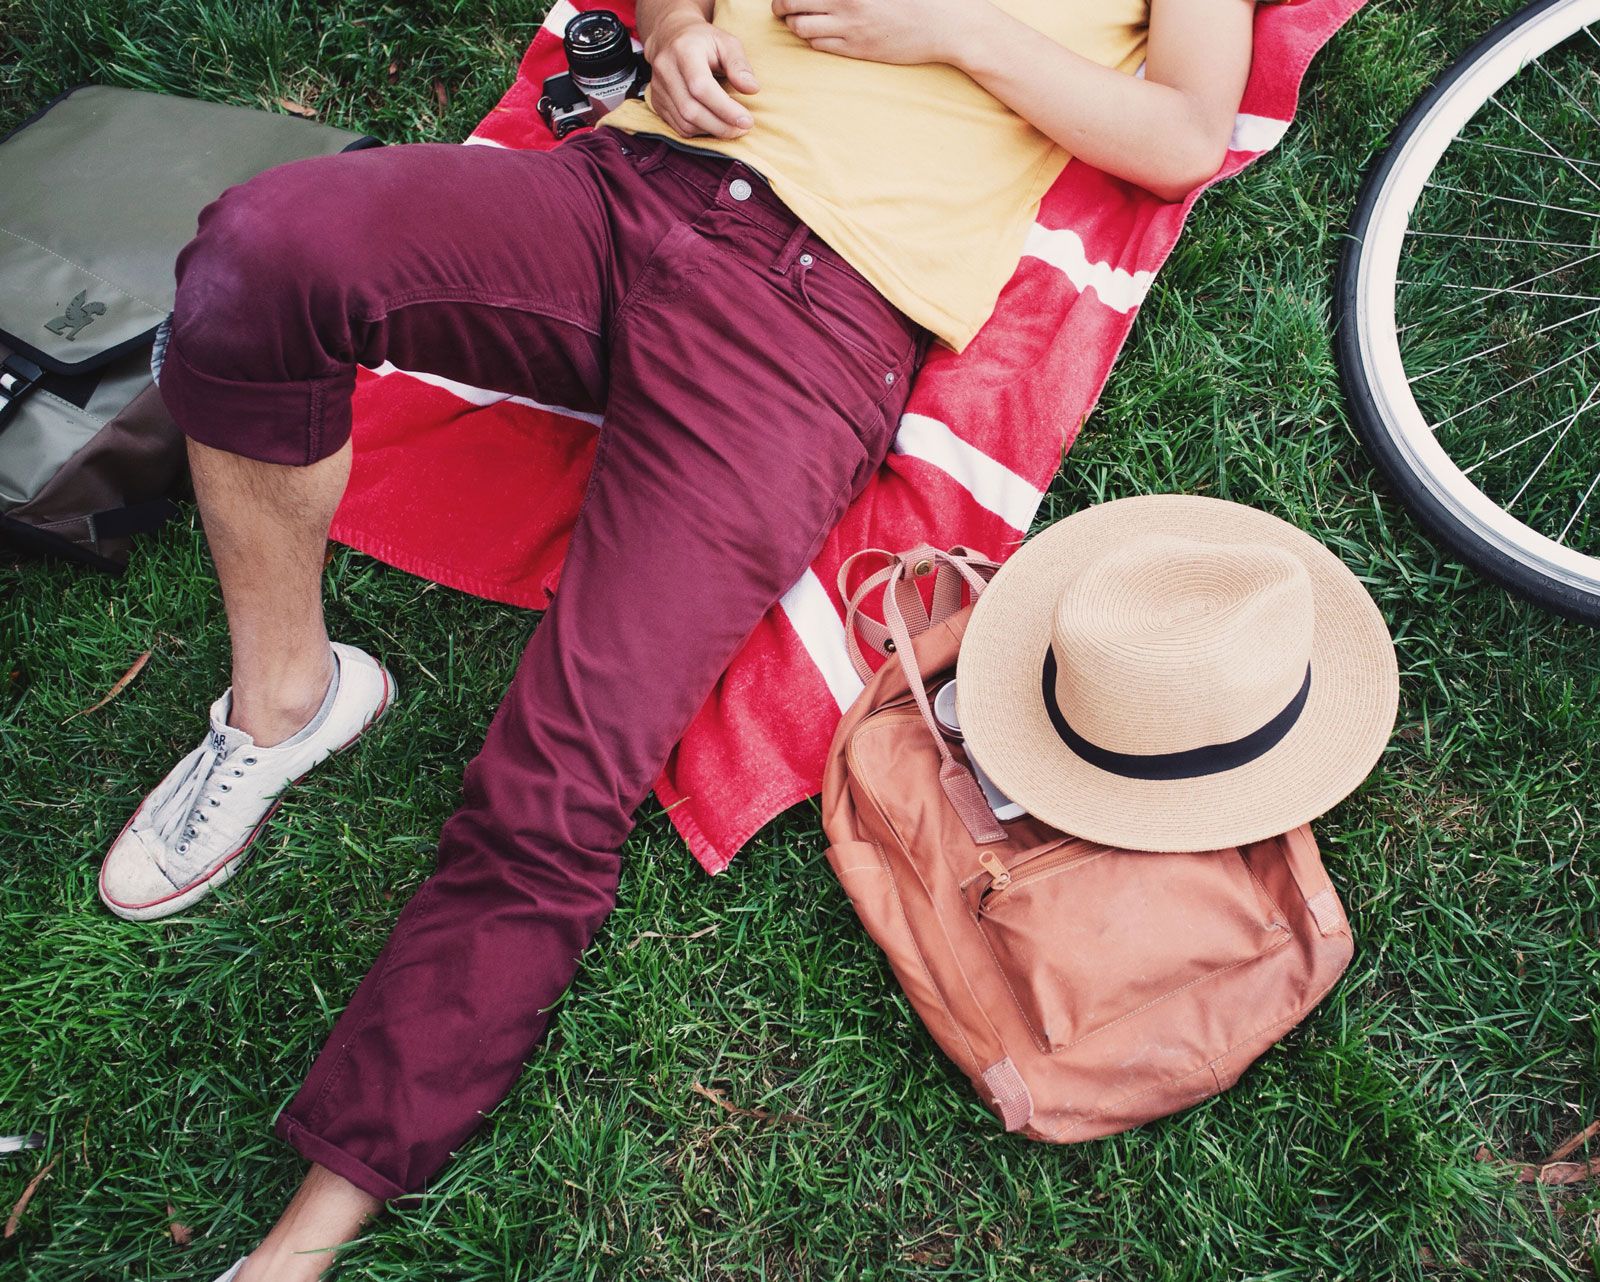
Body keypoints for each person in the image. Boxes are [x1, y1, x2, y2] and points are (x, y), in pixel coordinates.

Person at [98, 0, 1258, 1275]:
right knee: (262, 249)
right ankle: (287, 698)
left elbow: (1185, 131)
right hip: (625, 188)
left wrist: (959, 34)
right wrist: (672, 29)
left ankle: (303, 1240)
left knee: (557, 782)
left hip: (819, 319)